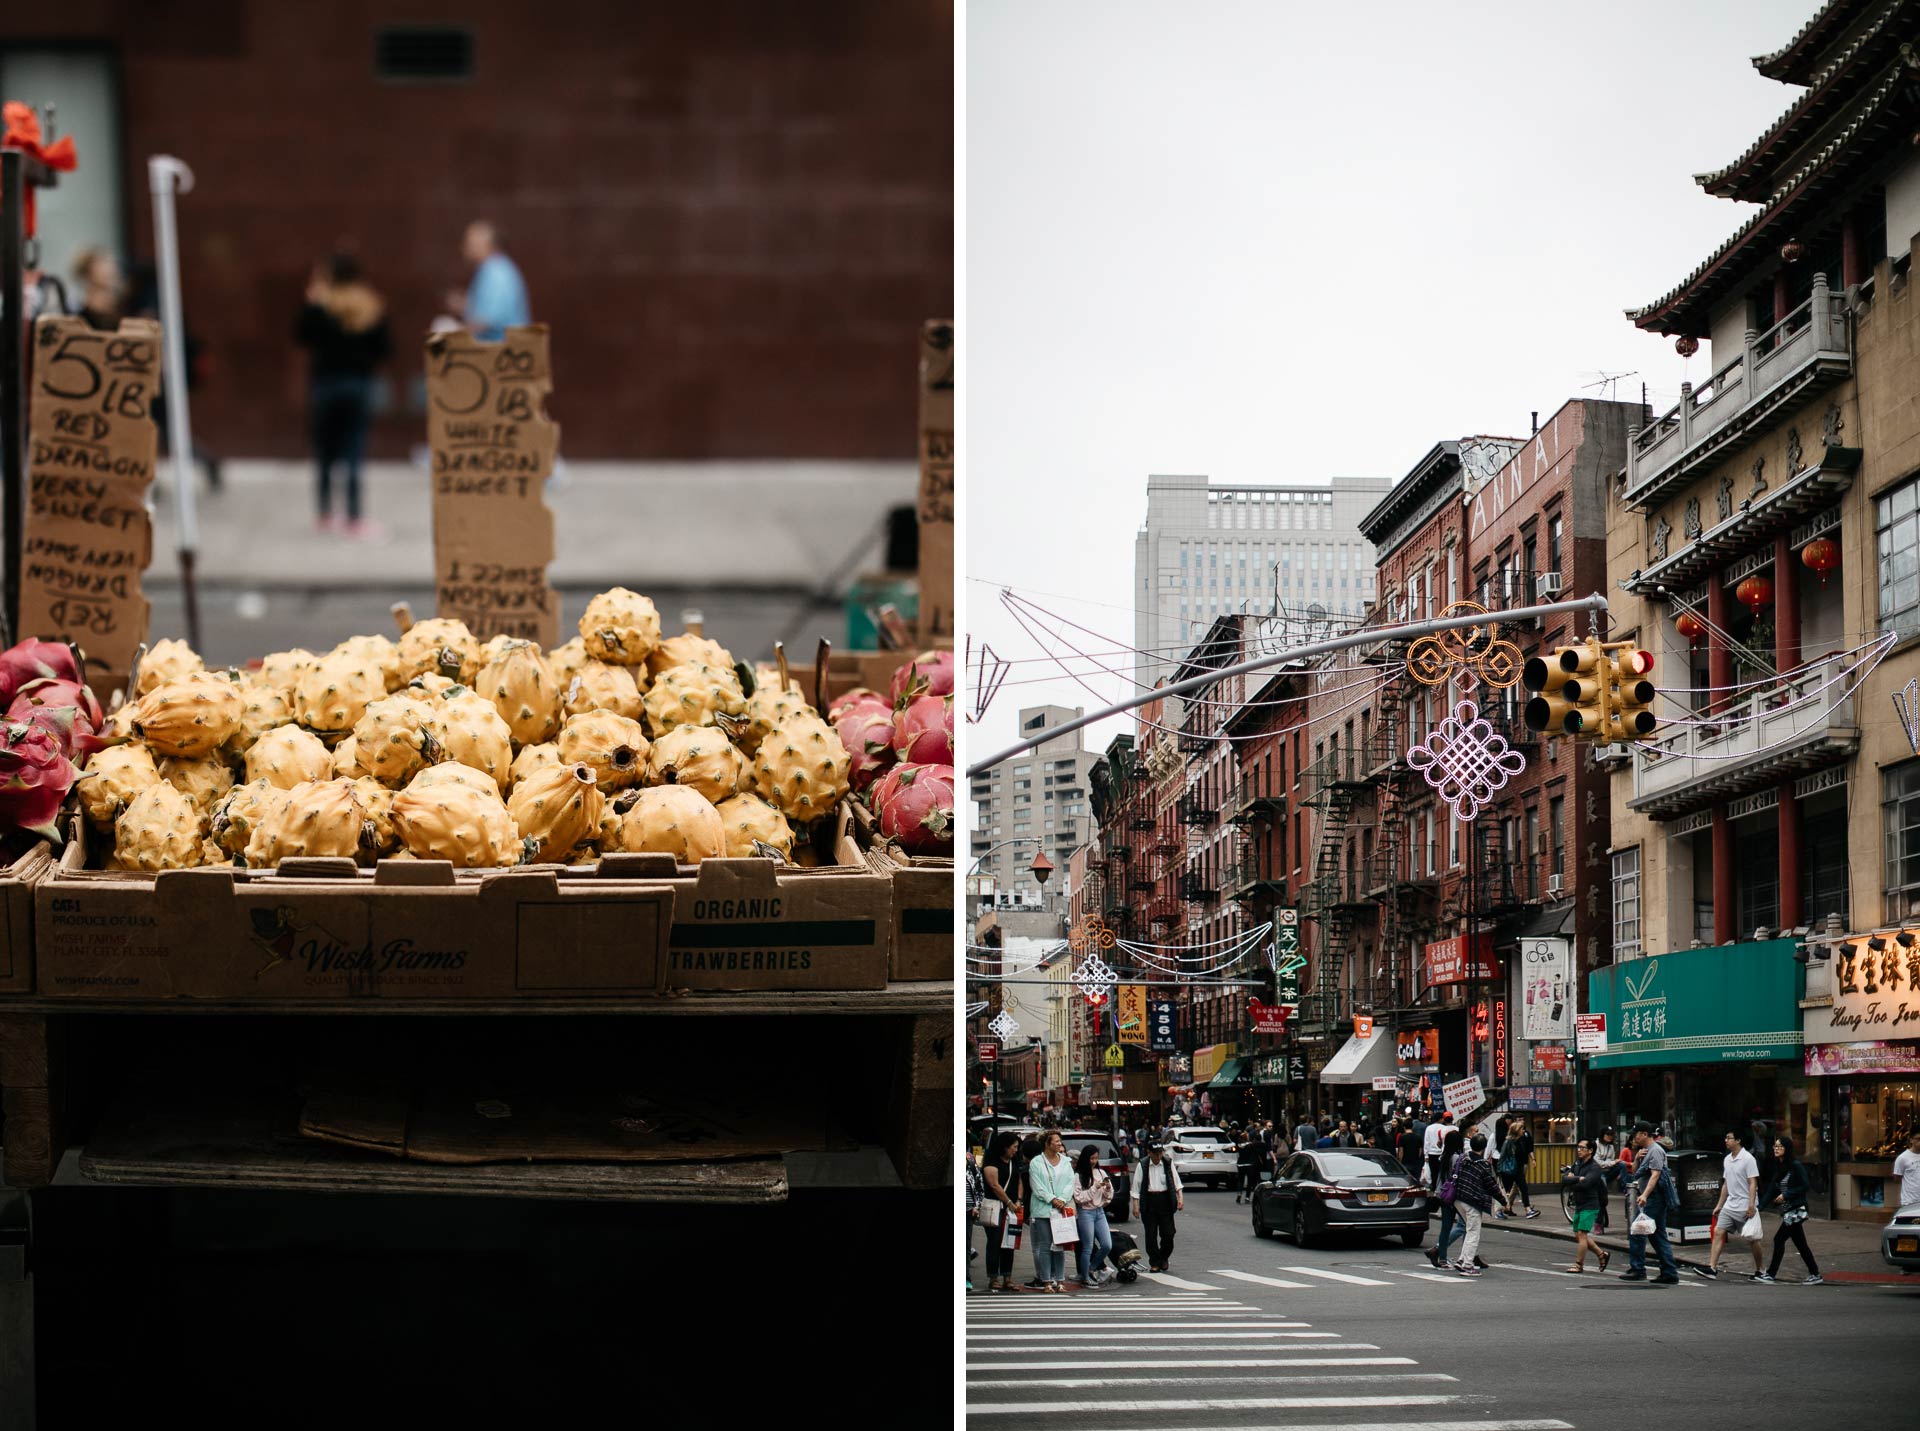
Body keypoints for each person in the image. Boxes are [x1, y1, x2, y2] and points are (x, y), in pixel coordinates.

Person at [295, 251, 393, 538]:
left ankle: (325, 513)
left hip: (325, 384)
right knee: (354, 451)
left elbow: (301, 336)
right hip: (358, 384)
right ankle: (353, 516)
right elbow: (384, 348)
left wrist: (311, 302)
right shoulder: (370, 304)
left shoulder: (321, 306)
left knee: (325, 451)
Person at [1755, 1136, 1822, 1284]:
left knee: (1779, 1239)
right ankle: (1815, 1273)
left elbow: (1805, 1185)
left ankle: (1771, 1274)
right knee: (1800, 1244)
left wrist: (1786, 1195)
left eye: (1780, 1146)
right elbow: (1771, 1190)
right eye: (1775, 1146)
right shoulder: (1779, 1166)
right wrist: (1759, 1208)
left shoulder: (1795, 1166)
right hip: (1788, 1211)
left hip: (1796, 1210)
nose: (1776, 1149)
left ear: (1787, 1149)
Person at [1619, 1121, 1680, 1284]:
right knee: (1657, 1236)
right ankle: (1669, 1272)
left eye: (1636, 1134)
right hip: (1652, 1198)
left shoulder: (1656, 1151)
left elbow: (1655, 1175)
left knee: (1637, 1231)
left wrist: (1645, 1195)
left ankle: (1638, 1269)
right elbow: (1636, 1173)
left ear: (1644, 1134)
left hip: (1654, 1198)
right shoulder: (1646, 1151)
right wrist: (1637, 1159)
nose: (1633, 1137)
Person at [1698, 1128, 1763, 1280]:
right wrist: (1719, 1205)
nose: (1726, 1140)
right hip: (1730, 1205)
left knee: (1753, 1239)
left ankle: (1761, 1270)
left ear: (1738, 1140)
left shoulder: (1748, 1159)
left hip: (1745, 1206)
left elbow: (1753, 1183)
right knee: (1718, 1232)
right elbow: (1726, 1184)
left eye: (1729, 1138)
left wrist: (1751, 1205)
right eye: (1726, 1138)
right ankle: (1712, 1268)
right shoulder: (1727, 1159)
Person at [448, 220, 529, 341]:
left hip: (502, 348)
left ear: (486, 244)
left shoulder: (496, 272)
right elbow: (485, 309)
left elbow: (487, 321)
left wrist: (456, 331)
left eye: (470, 243)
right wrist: (464, 306)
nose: (465, 248)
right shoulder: (491, 268)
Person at [1027, 1130, 1076, 1294]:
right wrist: (1052, 1199)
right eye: (1056, 1141)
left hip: (1061, 1209)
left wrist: (1062, 1199)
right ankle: (1047, 1281)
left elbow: (1070, 1183)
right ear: (1047, 1144)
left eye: (1059, 1141)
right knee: (1045, 1246)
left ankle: (1060, 1280)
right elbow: (1037, 1186)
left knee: (1060, 1245)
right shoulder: (1036, 1162)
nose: (1059, 1144)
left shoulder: (1066, 1162)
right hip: (1042, 1210)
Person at [1448, 1132, 1501, 1276]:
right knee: (1473, 1232)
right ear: (1483, 1148)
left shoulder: (1462, 1159)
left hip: (1458, 1198)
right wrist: (1502, 1200)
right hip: (1473, 1201)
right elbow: (1491, 1185)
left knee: (1469, 1229)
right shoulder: (1483, 1164)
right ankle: (1467, 1265)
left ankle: (1462, 1260)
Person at [1132, 1140, 1184, 1273]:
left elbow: (1176, 1182)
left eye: (1160, 1153)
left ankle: (1164, 1257)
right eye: (1155, 1154)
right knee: (1151, 1235)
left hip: (1165, 1200)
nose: (1158, 1156)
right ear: (1149, 1153)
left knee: (1169, 1233)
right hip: (1149, 1201)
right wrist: (1135, 1205)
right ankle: (1154, 1261)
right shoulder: (1143, 1165)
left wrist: (1180, 1198)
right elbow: (1136, 1186)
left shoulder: (1167, 1163)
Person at [980, 1132, 1023, 1293]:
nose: (1016, 1150)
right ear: (1005, 1146)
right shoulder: (991, 1161)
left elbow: (1019, 1181)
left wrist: (1018, 1200)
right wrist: (1009, 1202)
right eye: (1014, 1147)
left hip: (1012, 1208)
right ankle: (993, 1277)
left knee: (1010, 1241)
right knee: (995, 1241)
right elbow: (994, 1185)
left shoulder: (1014, 1161)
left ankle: (1007, 1276)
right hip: (996, 1205)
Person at [1561, 1138, 1610, 1273]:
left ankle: (1579, 1264)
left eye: (1582, 1148)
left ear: (1590, 1150)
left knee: (1582, 1234)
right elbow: (1564, 1179)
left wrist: (1573, 1180)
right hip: (1579, 1203)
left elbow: (1586, 1184)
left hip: (1590, 1204)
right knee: (1578, 1234)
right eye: (1578, 1147)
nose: (1579, 1150)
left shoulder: (1594, 1168)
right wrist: (1577, 1178)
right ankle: (1601, 1254)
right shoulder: (1577, 1163)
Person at [1071, 1143, 1116, 1287]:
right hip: (1086, 1213)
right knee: (1088, 1246)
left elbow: (1109, 1195)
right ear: (1085, 1158)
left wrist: (1107, 1188)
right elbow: (1079, 1198)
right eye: (1091, 1158)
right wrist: (1094, 1187)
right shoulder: (1079, 1175)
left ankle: (1091, 1268)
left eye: (1096, 1158)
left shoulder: (1101, 1173)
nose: (1094, 1161)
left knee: (1107, 1245)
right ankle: (1085, 1277)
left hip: (1099, 1211)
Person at [1425, 1127, 1468, 1268]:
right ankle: (1465, 1257)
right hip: (1455, 1196)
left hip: (1444, 1195)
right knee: (1466, 1225)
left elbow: (1440, 1178)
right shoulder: (1457, 1158)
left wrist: (1437, 1193)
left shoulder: (1444, 1157)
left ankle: (1442, 1257)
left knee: (1446, 1227)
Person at [70, 245, 125, 329]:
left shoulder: (122, 306)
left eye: (109, 263)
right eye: (102, 264)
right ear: (88, 273)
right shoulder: (79, 313)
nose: (110, 269)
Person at [965, 1148, 983, 1289]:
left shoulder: (971, 1161)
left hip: (968, 1211)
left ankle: (966, 1278)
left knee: (965, 1246)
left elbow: (979, 1188)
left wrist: (977, 1206)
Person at [1424, 1112, 1453, 1187]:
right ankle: (1441, 1186)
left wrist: (1426, 1155)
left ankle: (1433, 1186)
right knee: (1441, 1171)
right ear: (1441, 1119)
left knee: (1433, 1171)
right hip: (1441, 1153)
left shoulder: (1429, 1128)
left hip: (1431, 1153)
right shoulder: (1444, 1128)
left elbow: (1426, 1142)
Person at [1894, 1130, 1920, 1211]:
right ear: (1911, 1140)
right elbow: (1897, 1177)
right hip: (1910, 1202)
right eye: (1918, 1139)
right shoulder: (1903, 1158)